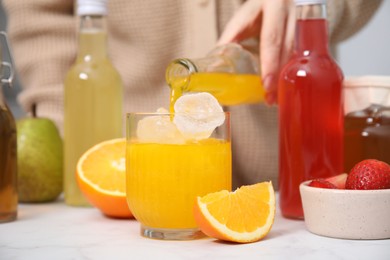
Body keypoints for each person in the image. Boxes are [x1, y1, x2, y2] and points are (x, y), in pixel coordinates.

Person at [2, 0, 382, 189]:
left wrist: (309, 5)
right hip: (126, 184)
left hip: (285, 185)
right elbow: (40, 12)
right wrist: (68, 134)